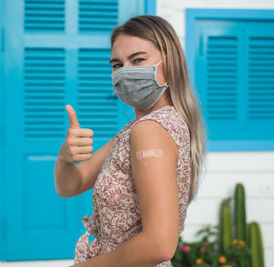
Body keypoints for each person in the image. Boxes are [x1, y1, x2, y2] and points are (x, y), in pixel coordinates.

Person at [54, 15, 206, 267]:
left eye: (138, 60)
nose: (124, 72)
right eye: (116, 65)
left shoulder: (149, 131)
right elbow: (70, 185)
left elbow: (159, 245)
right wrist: (65, 157)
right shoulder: (138, 129)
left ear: (171, 62)